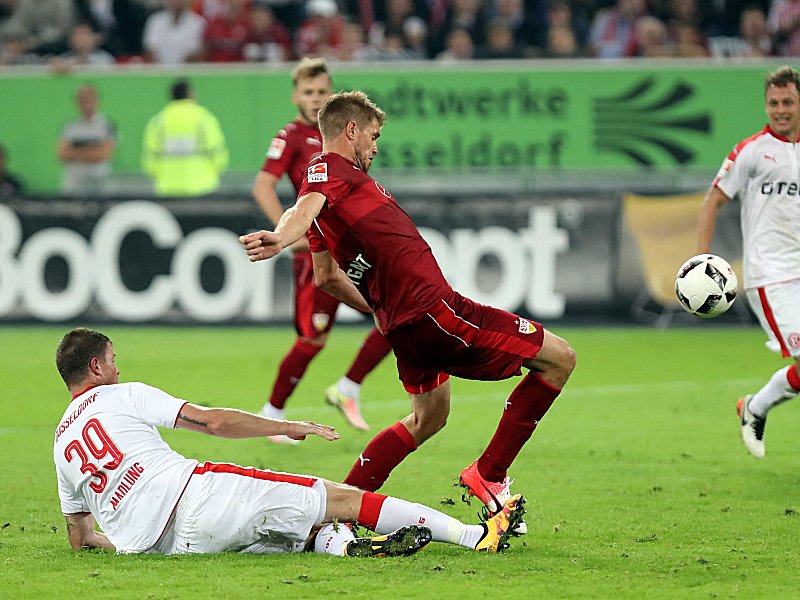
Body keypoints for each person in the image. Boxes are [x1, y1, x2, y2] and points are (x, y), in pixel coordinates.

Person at [240, 90, 576, 532]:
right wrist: (281, 239)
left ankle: (336, 516)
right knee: (559, 359)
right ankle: (489, 474)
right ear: (351, 130)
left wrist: (378, 310)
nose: (376, 147)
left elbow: (327, 278)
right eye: (373, 136)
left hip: (406, 325)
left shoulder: (334, 199)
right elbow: (300, 211)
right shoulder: (328, 169)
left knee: (428, 417)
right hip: (436, 310)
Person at [53, 327, 524, 556]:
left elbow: (82, 538)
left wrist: (132, 541)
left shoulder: (60, 444)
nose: (118, 368)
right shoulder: (123, 396)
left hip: (168, 548)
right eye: (113, 360)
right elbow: (212, 423)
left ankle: (343, 550)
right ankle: (476, 536)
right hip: (196, 495)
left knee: (287, 532)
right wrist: (285, 426)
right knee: (341, 499)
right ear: (95, 368)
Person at [252, 58, 391, 439]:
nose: (316, 99)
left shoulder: (344, 140)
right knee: (313, 339)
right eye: (309, 92)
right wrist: (289, 232)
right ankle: (272, 412)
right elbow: (264, 185)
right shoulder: (292, 136)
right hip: (319, 253)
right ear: (296, 95)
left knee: (395, 312)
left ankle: (349, 387)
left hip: (349, 249)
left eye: (323, 92)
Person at [697, 65, 800, 459]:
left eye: (787, 101)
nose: (780, 110)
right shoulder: (752, 151)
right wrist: (702, 256)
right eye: (773, 103)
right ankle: (756, 407)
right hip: (771, 275)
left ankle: (754, 406)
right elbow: (714, 200)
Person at [142, 79, 229, 197]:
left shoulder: (158, 122)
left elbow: (150, 157)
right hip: (202, 186)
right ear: (191, 94)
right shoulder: (204, 119)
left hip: (167, 187)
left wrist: (158, 176)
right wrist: (214, 172)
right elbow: (218, 151)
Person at [56, 84, 117, 196]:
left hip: (98, 182)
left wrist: (75, 152)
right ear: (77, 102)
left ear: (97, 100)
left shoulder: (107, 126)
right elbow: (62, 154)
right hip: (74, 183)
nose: (86, 104)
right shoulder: (70, 127)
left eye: (89, 99)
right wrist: (91, 151)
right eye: (82, 100)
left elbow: (103, 154)